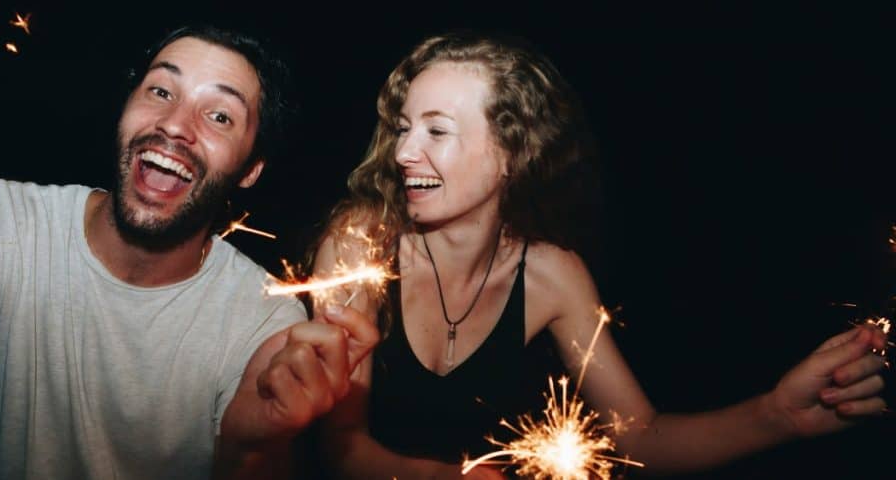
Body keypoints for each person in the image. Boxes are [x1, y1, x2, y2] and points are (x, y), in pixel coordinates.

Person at [311, 32, 888, 479]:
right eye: (404, 127)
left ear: (513, 150)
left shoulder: (553, 276)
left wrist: (776, 415)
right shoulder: (361, 247)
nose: (405, 151)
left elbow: (640, 440)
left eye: (436, 131)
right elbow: (338, 450)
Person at [0, 25, 378, 479]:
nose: (176, 125)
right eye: (161, 90)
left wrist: (250, 452)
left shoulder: (265, 318)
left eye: (220, 116)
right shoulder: (4, 220)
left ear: (250, 170)